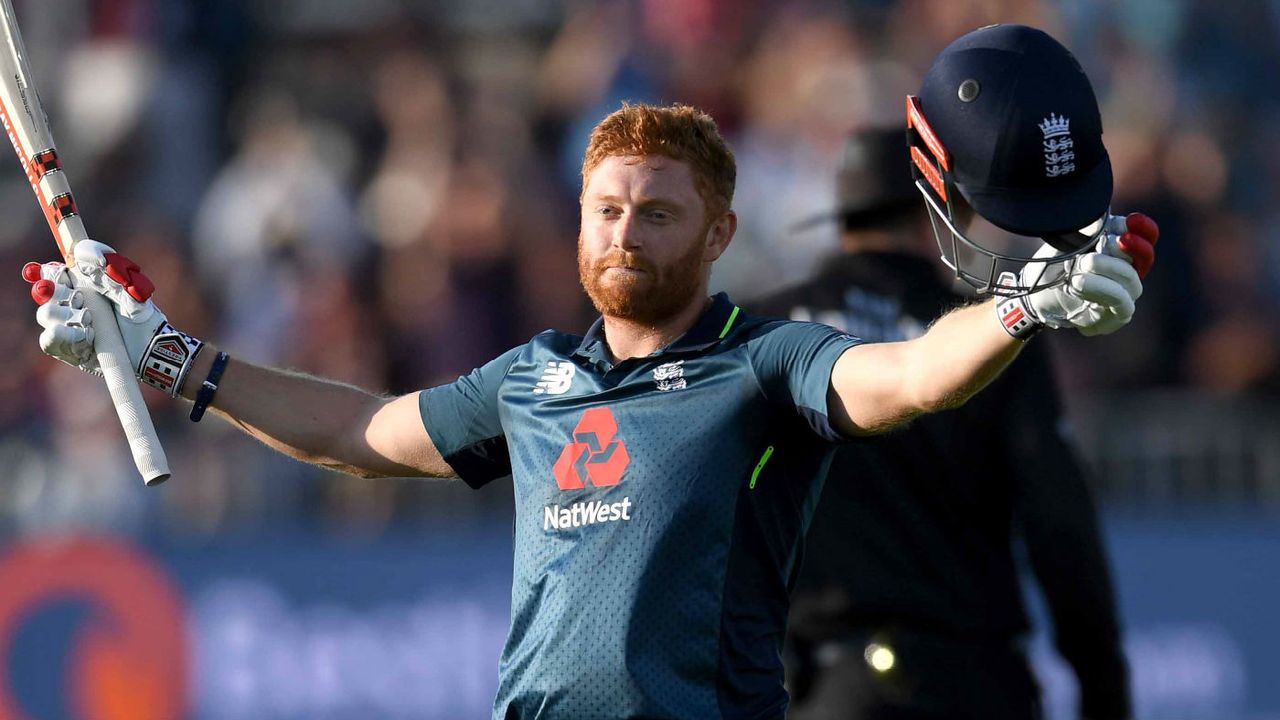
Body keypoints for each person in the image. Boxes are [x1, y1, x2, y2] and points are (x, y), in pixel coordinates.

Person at [24, 26, 1155, 720]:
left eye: (656, 215)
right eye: (605, 210)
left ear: (716, 236)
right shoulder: (530, 380)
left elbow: (907, 377)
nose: (624, 234)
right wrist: (166, 353)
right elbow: (360, 434)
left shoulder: (761, 363)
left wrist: (1021, 303)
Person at [750, 125, 1132, 720]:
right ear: (944, 213)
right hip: (971, 686)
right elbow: (1061, 527)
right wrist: (1104, 691)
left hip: (824, 690)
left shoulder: (765, 334)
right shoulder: (991, 336)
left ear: (844, 222)